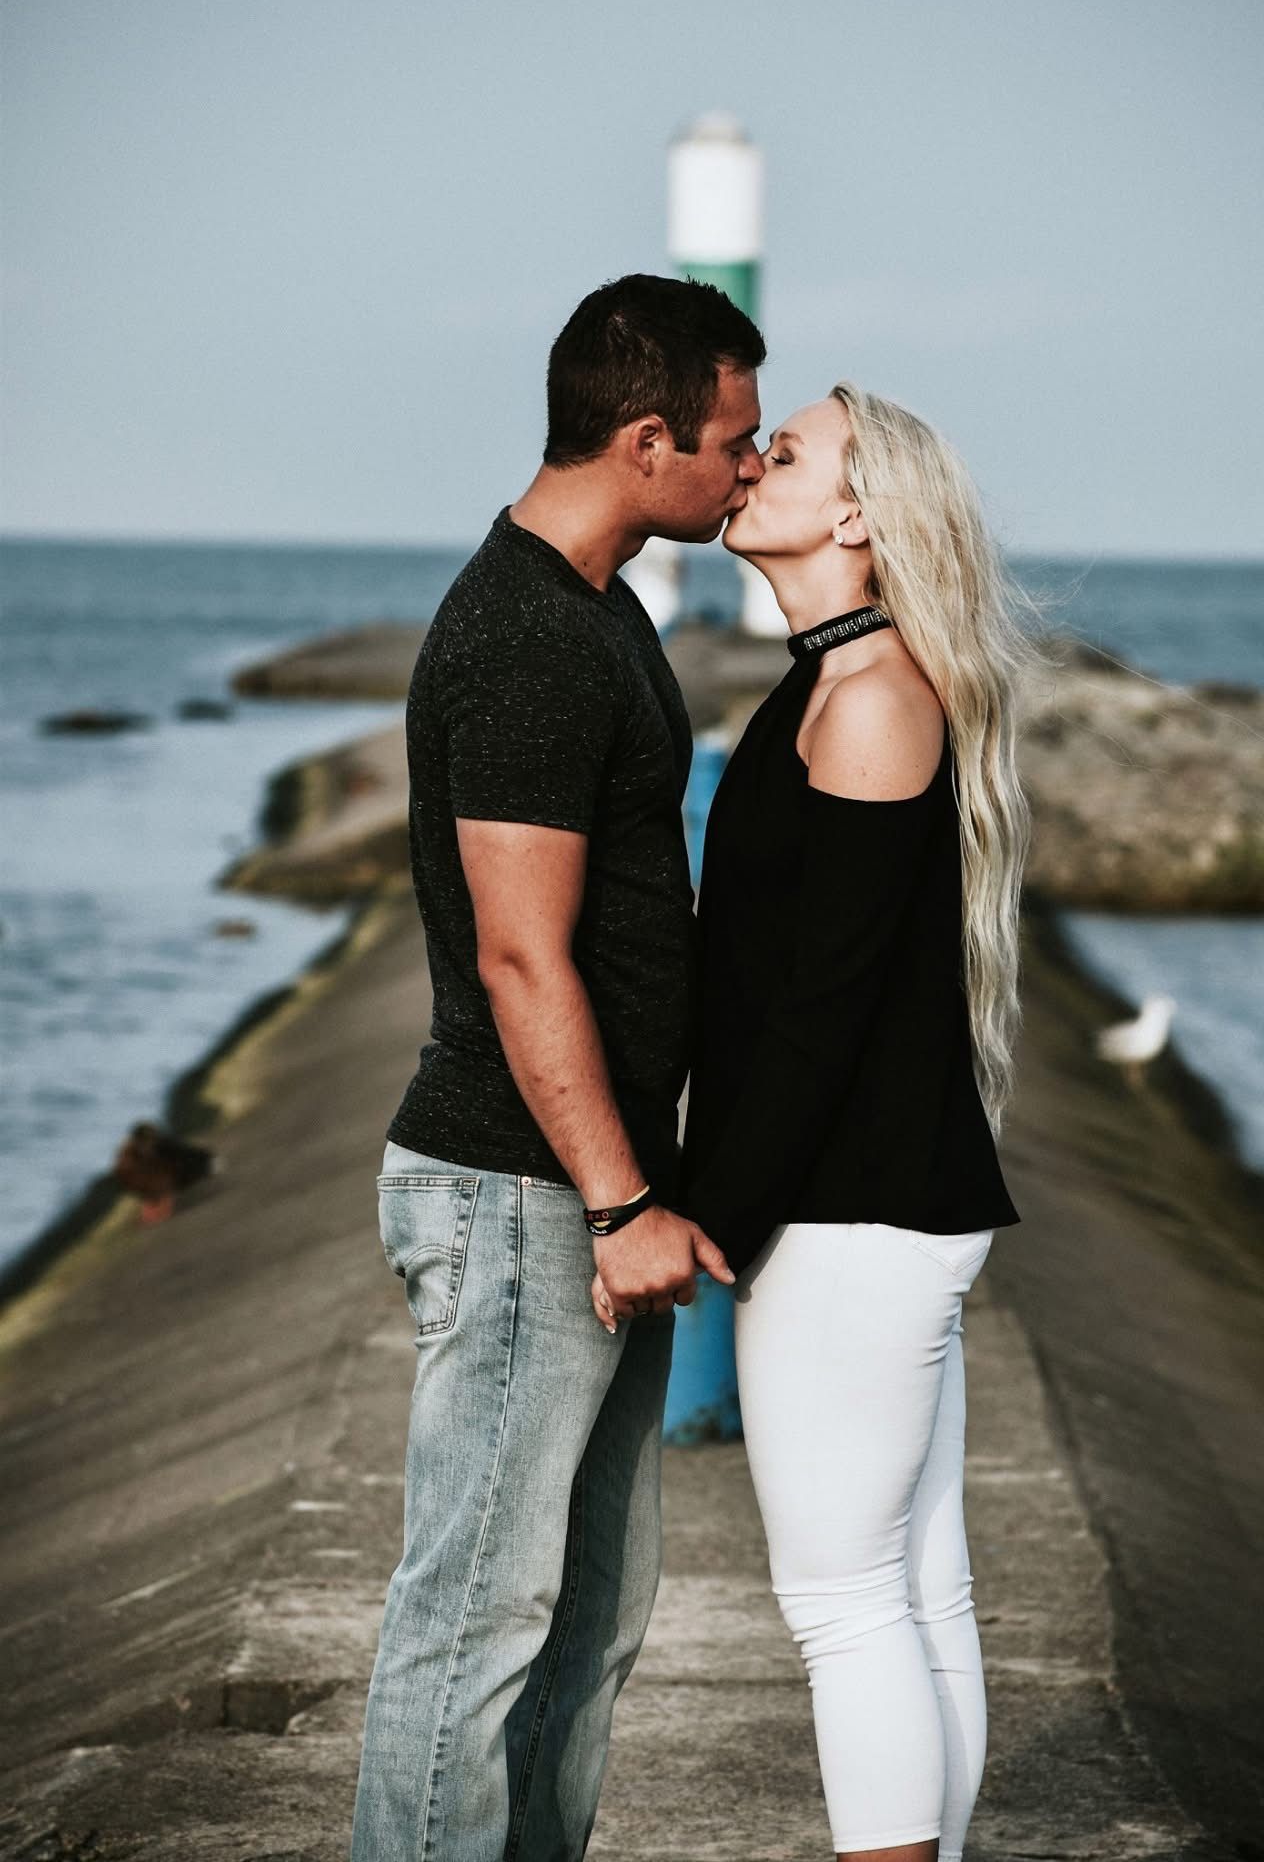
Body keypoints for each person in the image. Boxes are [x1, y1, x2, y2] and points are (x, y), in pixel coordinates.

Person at [350, 274, 765, 1862]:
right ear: (645, 436)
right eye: (727, 443)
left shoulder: (597, 609)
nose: (744, 469)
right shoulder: (528, 632)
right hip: (527, 1191)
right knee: (474, 1624)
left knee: (587, 1628)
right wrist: (616, 1202)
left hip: (582, 1189)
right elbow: (522, 958)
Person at [614, 383, 1031, 1861]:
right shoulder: (831, 679)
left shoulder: (866, 697)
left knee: (845, 1606)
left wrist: (690, 1213)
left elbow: (818, 1014)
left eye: (779, 454)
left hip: (855, 1221)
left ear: (854, 515)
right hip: (883, 1209)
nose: (747, 465)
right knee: (914, 1595)